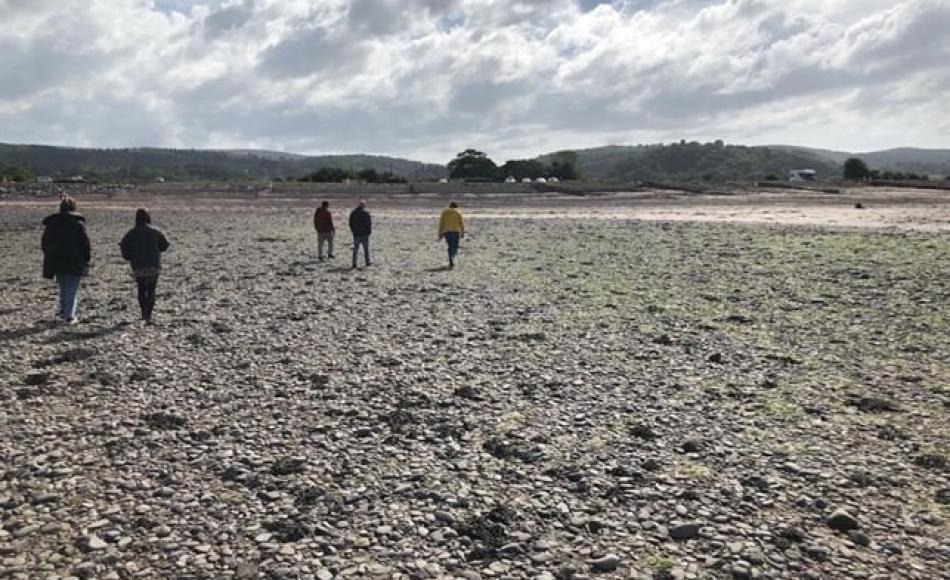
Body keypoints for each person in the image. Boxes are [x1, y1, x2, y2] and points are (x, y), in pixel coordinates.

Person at [41, 195, 91, 324]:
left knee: (63, 287)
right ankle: (69, 315)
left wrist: (49, 255)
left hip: (56, 260)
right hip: (74, 260)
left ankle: (64, 311)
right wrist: (86, 258)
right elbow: (85, 243)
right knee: (71, 288)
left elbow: (45, 242)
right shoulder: (78, 224)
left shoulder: (52, 224)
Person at [120, 208, 170, 324]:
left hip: (138, 265)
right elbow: (165, 245)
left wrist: (130, 257)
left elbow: (124, 248)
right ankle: (149, 315)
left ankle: (143, 313)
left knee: (141, 288)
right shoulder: (155, 231)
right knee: (152, 289)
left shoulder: (131, 233)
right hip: (153, 264)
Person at [438, 201, 465, 269]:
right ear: (456, 206)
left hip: (446, 231)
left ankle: (450, 258)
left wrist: (440, 233)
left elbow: (441, 223)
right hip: (456, 231)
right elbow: (461, 223)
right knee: (455, 246)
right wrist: (463, 232)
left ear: (450, 206)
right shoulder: (458, 212)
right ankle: (452, 257)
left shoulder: (444, 212)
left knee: (450, 245)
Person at [349, 200, 372, 269]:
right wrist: (369, 231)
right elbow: (369, 223)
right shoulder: (365, 213)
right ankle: (367, 262)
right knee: (366, 249)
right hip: (364, 234)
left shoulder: (353, 213)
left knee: (355, 249)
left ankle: (354, 263)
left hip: (356, 234)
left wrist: (353, 231)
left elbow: (350, 223)